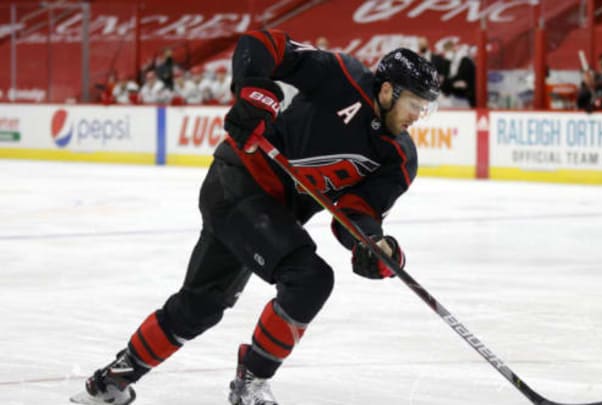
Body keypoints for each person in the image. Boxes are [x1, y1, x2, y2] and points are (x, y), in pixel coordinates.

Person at [69, 29, 440, 405]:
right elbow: (263, 44)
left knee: (200, 307)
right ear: (388, 90)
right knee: (309, 279)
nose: (418, 116)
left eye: (426, 108)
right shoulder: (341, 76)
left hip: (270, 213)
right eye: (414, 103)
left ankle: (110, 382)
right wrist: (253, 93)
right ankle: (250, 387)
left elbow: (355, 214)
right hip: (236, 181)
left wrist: (373, 245)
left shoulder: (398, 160)